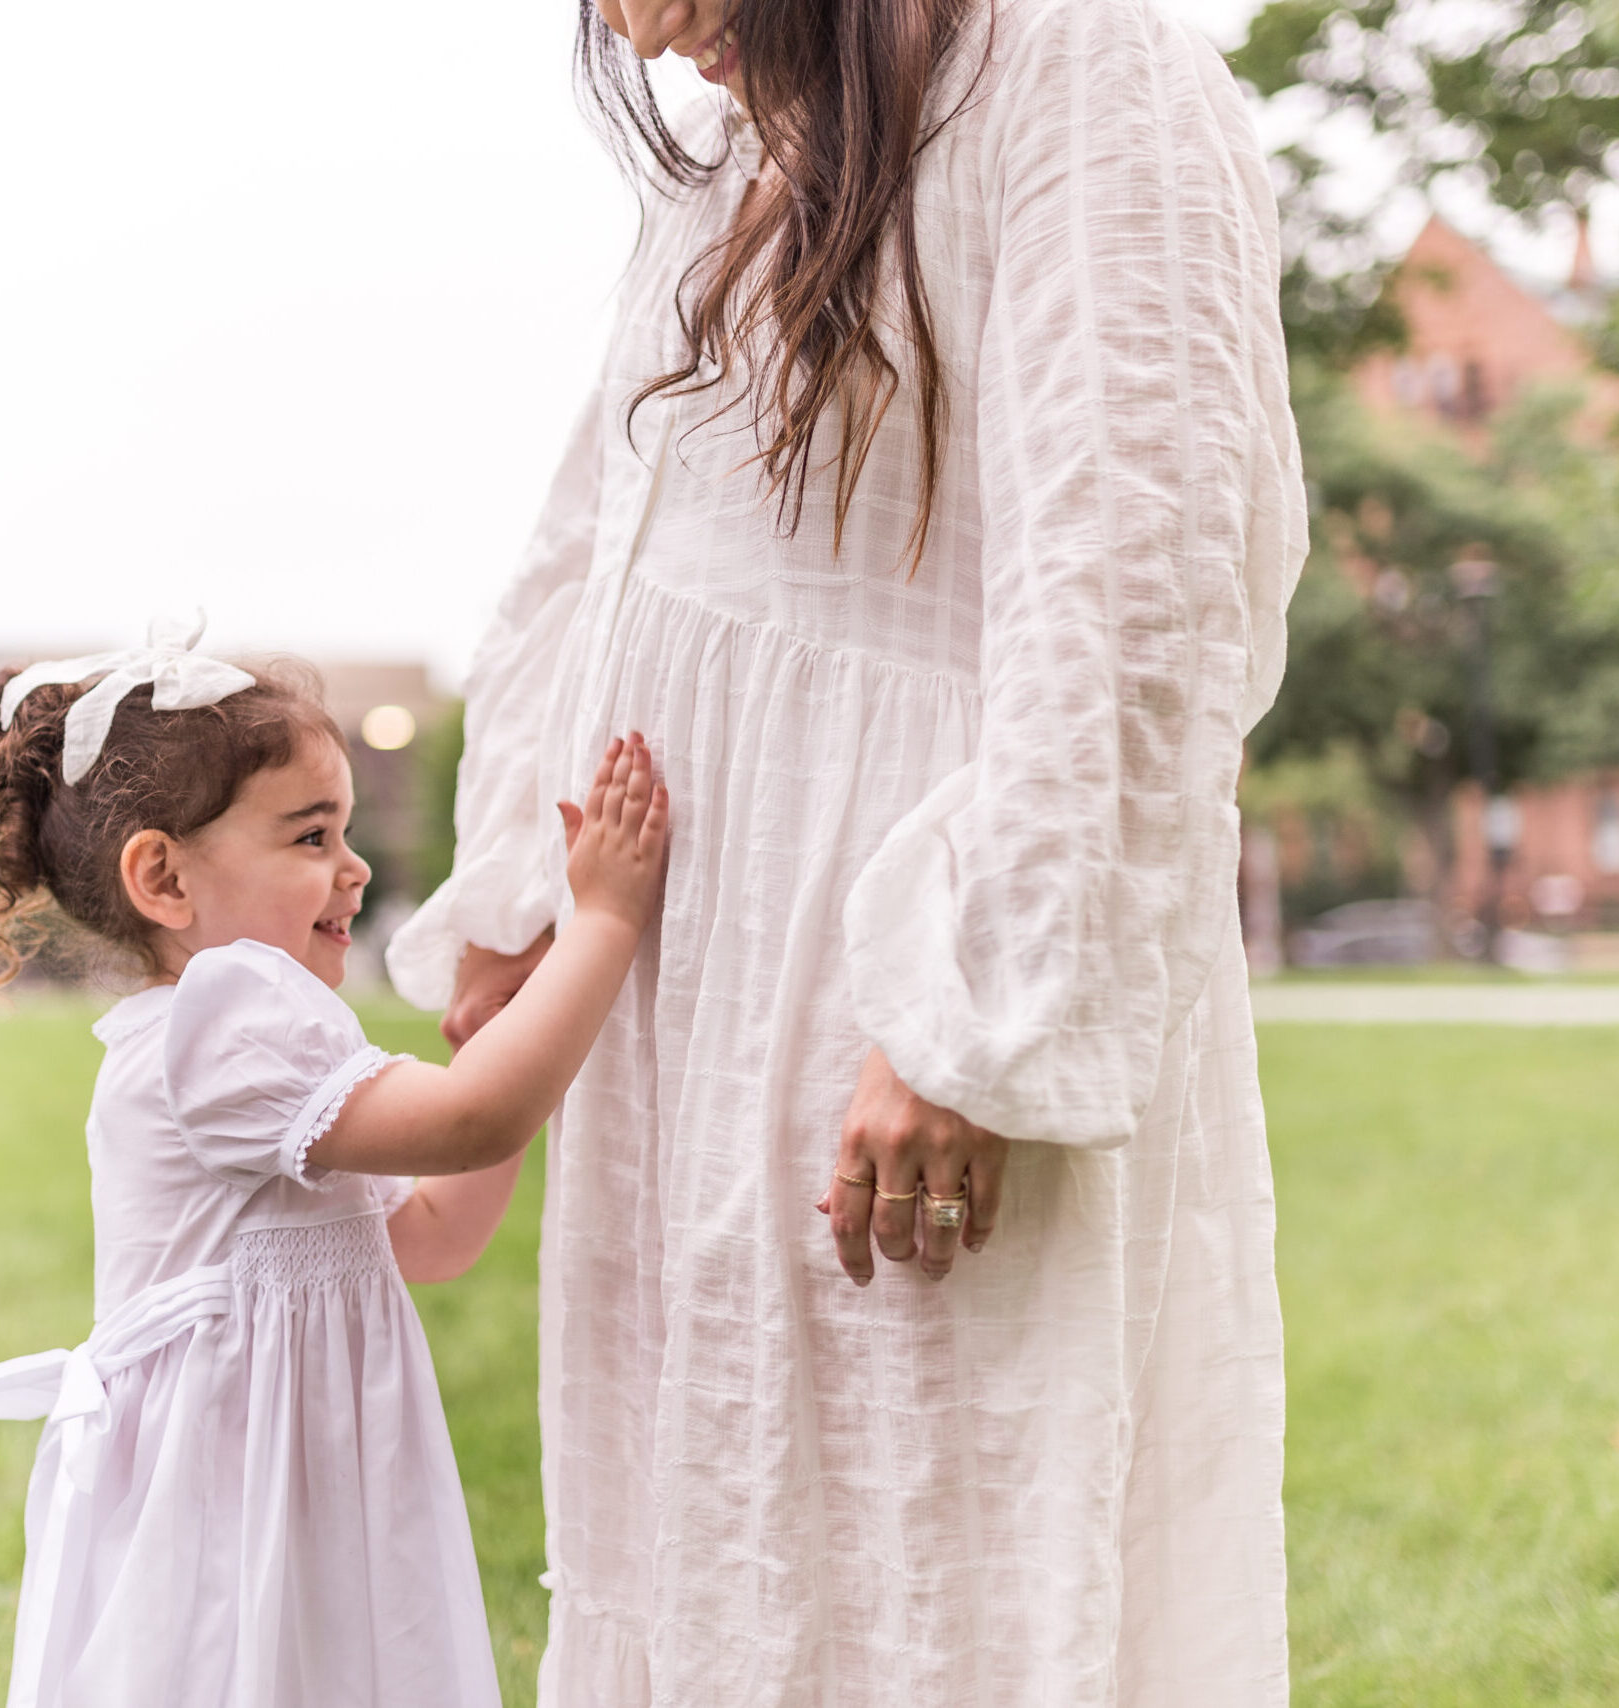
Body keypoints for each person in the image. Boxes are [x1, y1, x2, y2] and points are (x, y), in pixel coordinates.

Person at [384, 0, 1305, 1701]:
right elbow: (605, 523)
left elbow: (1137, 568)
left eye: (693, 9)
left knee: (921, 1546)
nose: (661, 54)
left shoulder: (1079, 64)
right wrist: (519, 878)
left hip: (897, 957)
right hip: (683, 975)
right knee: (708, 1532)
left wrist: (977, 1013)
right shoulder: (753, 139)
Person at [0, 619, 668, 1708]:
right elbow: (472, 1121)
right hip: (238, 1493)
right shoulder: (230, 1014)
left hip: (302, 1479)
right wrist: (604, 920)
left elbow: (427, 1236)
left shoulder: (240, 1032)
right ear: (164, 878)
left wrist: (498, 1042)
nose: (354, 867)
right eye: (310, 836)